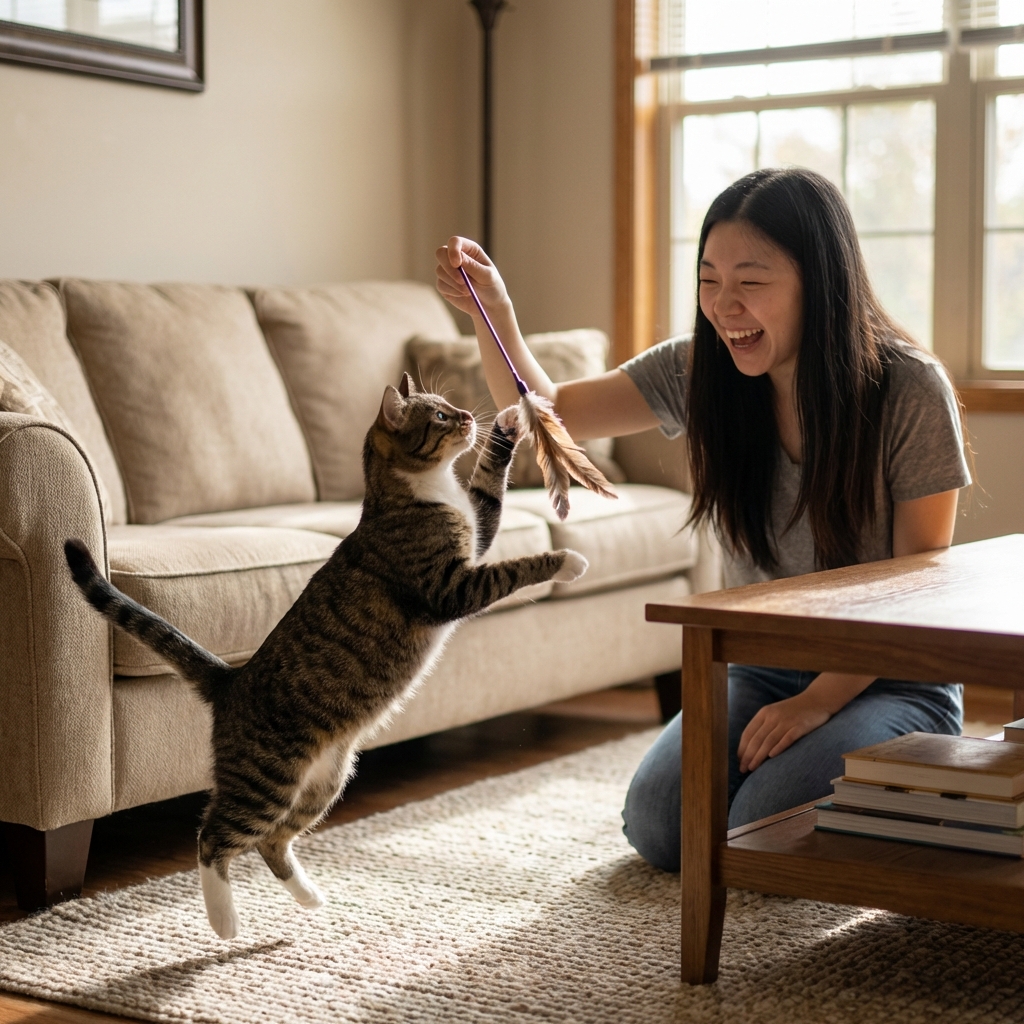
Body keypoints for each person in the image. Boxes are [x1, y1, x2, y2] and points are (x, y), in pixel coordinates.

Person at [434, 167, 971, 872]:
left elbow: (915, 588)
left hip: (892, 676)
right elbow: (545, 417)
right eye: (709, 278)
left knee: (759, 824)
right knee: (663, 827)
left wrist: (817, 701)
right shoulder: (701, 370)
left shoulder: (908, 388)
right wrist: (493, 314)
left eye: (752, 280)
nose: (725, 305)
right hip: (762, 668)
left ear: (821, 281)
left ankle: (931, 787)